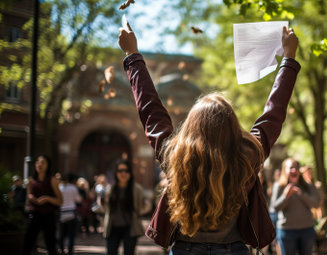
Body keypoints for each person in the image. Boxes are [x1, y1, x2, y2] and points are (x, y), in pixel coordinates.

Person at [117, 23, 300, 254]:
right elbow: (274, 113)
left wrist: (132, 56)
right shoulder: (247, 156)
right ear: (232, 126)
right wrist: (289, 58)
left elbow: (151, 111)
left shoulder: (175, 155)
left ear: (192, 127)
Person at [271, 158, 320, 255]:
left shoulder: (308, 186)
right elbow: (274, 208)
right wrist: (285, 196)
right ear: (285, 170)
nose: (294, 170)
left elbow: (316, 204)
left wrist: (302, 195)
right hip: (287, 231)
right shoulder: (279, 186)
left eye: (296, 167)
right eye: (291, 168)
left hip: (307, 230)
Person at [101, 160, 151, 255]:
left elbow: (145, 206)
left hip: (130, 228)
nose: (123, 173)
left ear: (130, 173)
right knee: (111, 252)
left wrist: (141, 210)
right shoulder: (110, 189)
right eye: (120, 171)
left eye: (126, 170)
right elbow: (106, 208)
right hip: (112, 228)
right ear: (116, 173)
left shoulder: (137, 189)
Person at [22, 155, 63, 255]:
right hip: (34, 215)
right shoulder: (31, 181)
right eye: (38, 162)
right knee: (27, 244)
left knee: (51, 245)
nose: (39, 164)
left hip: (48, 216)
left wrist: (47, 198)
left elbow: (60, 201)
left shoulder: (52, 180)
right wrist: (31, 198)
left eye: (43, 162)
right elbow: (28, 200)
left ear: (48, 166)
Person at [58, 173, 82, 255]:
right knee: (71, 234)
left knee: (62, 233)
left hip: (62, 213)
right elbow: (78, 199)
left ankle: (61, 249)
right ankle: (70, 251)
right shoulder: (73, 188)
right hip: (71, 213)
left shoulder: (59, 188)